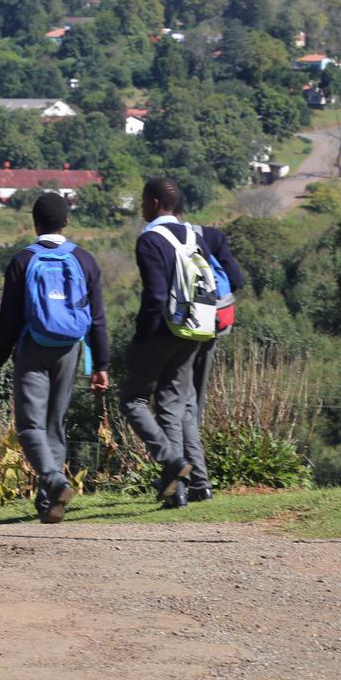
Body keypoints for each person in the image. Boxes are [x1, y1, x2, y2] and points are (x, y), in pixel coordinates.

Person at [0, 193, 109, 523]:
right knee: (55, 426)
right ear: (66, 222)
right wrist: (101, 364)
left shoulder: (23, 260)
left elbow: (9, 318)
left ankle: (55, 482)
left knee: (30, 426)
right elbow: (97, 317)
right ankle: (49, 503)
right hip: (71, 348)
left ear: (34, 222)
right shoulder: (84, 260)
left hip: (33, 347)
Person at [120, 177, 216, 510]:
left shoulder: (150, 240)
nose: (142, 206)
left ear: (157, 202)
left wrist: (141, 338)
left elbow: (155, 295)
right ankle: (191, 487)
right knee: (176, 405)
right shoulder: (194, 235)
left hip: (162, 329)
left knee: (132, 399)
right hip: (196, 328)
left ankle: (172, 466)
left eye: (145, 201)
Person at [181, 222, 244, 502]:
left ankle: (187, 477)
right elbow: (237, 279)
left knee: (177, 402)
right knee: (195, 401)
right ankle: (194, 477)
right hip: (213, 326)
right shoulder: (214, 237)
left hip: (181, 329)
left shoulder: (165, 238)